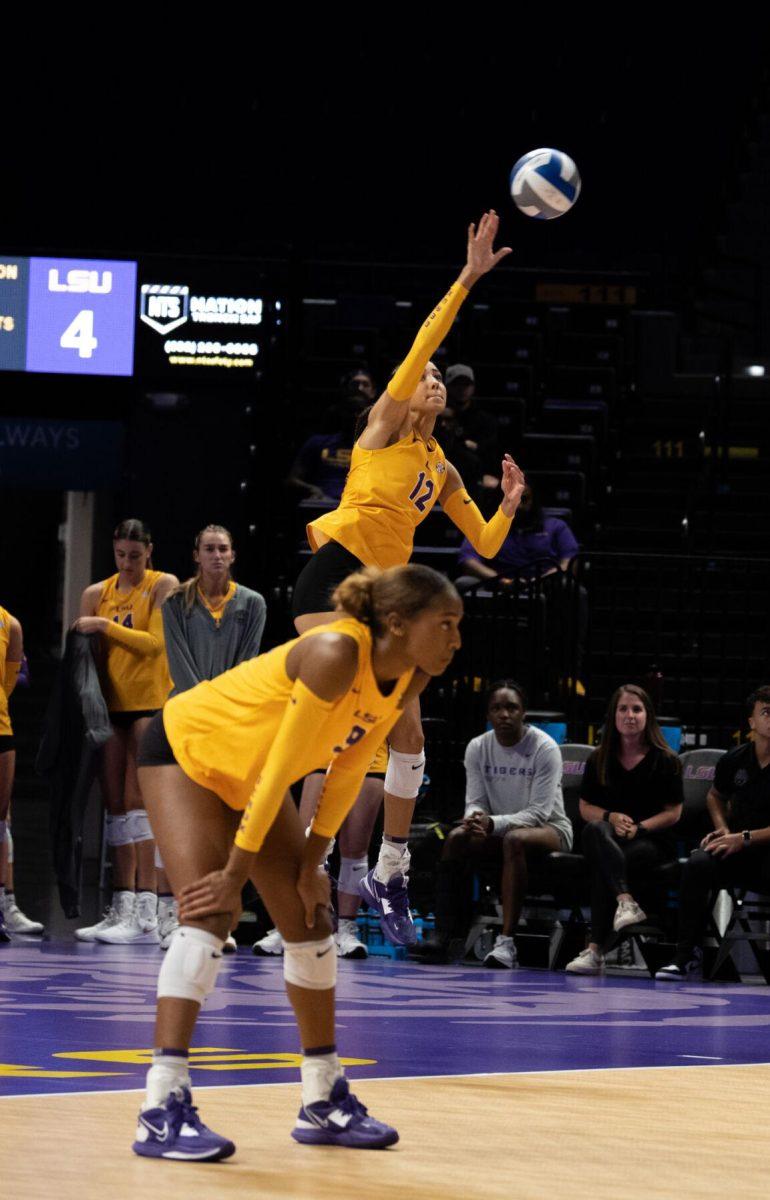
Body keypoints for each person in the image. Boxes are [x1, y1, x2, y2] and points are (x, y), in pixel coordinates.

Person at [133, 564, 462, 1160]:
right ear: (395, 622)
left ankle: (322, 1098)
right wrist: (235, 877)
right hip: (189, 751)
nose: (456, 640)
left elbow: (345, 770)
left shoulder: (407, 678)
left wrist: (314, 864)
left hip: (254, 777)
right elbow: (286, 767)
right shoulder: (335, 651)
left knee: (310, 926)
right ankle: (161, 1106)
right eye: (444, 624)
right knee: (210, 915)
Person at [292, 211, 525, 946]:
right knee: (329, 715)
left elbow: (484, 538)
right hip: (334, 578)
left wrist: (511, 506)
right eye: (422, 375)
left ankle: (389, 865)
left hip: (388, 593)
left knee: (409, 732)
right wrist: (468, 277)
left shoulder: (443, 468)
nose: (427, 378)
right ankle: (307, 861)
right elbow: (427, 340)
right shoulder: (384, 426)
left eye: (433, 380)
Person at [158, 523, 267, 950]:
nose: (217, 555)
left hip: (232, 724)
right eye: (209, 548)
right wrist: (204, 709)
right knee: (183, 824)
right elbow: (179, 665)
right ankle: (179, 915)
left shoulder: (253, 604)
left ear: (233, 555)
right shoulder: (174, 602)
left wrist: (225, 710)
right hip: (186, 721)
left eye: (224, 548)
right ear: (196, 555)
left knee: (221, 826)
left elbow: (248, 664)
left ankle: (218, 920)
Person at [411, 680, 571, 967]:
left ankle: (506, 943)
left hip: (550, 830)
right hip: (496, 828)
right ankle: (445, 934)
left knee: (515, 839)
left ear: (524, 713)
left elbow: (538, 813)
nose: (504, 714)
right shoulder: (477, 747)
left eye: (511, 708)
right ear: (488, 715)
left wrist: (492, 823)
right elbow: (476, 800)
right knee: (456, 837)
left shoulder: (545, 748)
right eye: (497, 708)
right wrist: (474, 817)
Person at [72, 519, 178, 945]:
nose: (128, 563)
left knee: (139, 802)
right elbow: (86, 655)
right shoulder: (97, 593)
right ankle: (122, 903)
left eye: (136, 555)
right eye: (121, 555)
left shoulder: (162, 584)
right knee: (115, 806)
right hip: (108, 706)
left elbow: (155, 643)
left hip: (148, 702)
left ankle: (148, 905)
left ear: (149, 551)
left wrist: (104, 626)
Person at [565, 684, 683, 975]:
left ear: (647, 716)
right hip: (608, 835)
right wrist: (611, 816)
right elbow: (585, 807)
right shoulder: (599, 758)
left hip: (650, 841)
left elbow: (673, 812)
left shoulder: (666, 760)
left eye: (637, 709)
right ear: (613, 716)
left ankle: (594, 951)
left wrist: (639, 828)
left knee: (605, 864)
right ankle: (626, 901)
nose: (630, 715)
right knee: (594, 830)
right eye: (623, 709)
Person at [656, 686, 770, 980]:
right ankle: (685, 956)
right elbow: (714, 796)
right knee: (698, 863)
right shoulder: (734, 760)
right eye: (766, 712)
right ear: (752, 722)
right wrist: (722, 829)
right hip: (737, 849)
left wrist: (742, 838)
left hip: (764, 852)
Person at [0, 607, 43, 939]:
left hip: (1, 729)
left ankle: (5, 902)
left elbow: (9, 682)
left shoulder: (9, 623)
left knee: (2, 821)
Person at [286, 369, 376, 503]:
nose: (359, 388)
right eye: (354, 384)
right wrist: (312, 489)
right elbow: (292, 480)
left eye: (359, 412)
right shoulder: (317, 443)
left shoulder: (381, 447)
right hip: (323, 505)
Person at [444, 363, 500, 487]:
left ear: (473, 387)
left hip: (474, 478)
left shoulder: (485, 421)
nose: (462, 389)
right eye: (457, 384)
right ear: (447, 387)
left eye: (466, 384)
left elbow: (489, 451)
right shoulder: (434, 417)